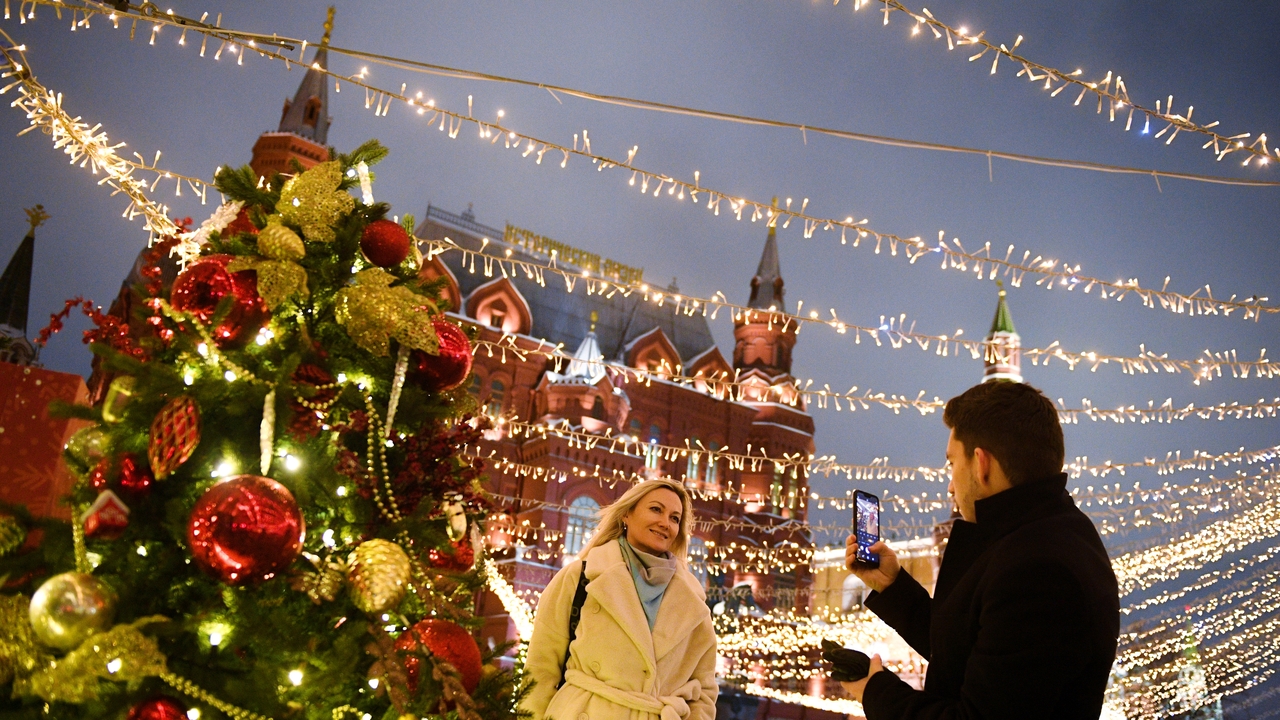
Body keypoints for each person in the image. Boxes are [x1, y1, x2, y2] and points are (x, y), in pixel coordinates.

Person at [843, 381, 1120, 719]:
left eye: (951, 464)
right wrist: (893, 586)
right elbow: (972, 649)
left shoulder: (1037, 569)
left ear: (981, 463)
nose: (949, 485)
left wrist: (877, 691)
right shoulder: (1047, 535)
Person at [523, 478, 718, 720]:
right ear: (627, 514)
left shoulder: (693, 600)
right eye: (656, 509)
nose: (664, 523)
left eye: (674, 518)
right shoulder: (581, 577)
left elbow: (704, 687)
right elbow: (540, 668)